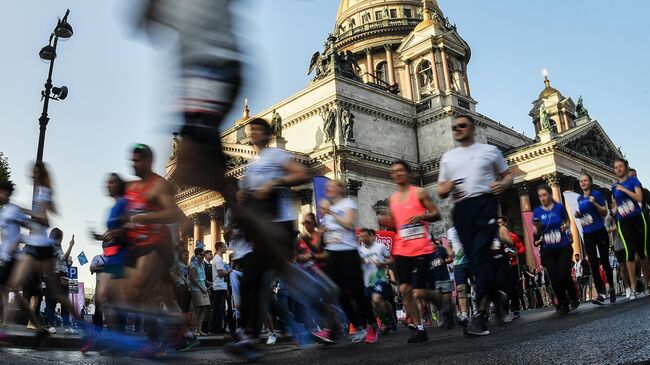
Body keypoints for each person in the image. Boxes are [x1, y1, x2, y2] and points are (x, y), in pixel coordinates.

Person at [437, 114, 513, 336]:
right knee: (475, 260)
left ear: (472, 128)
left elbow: (508, 176)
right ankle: (497, 296)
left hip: (485, 204)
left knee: (480, 256)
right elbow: (441, 190)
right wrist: (447, 186)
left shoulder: (489, 152)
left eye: (462, 126)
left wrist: (502, 184)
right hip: (461, 209)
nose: (458, 130)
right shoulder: (448, 157)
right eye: (455, 127)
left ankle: (480, 317)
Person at [7, 162, 85, 347]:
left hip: (42, 249)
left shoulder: (44, 192)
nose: (31, 175)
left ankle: (85, 329)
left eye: (34, 172)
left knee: (57, 294)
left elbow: (44, 219)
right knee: (14, 285)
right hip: (33, 246)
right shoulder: (39, 193)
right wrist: (23, 219)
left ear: (40, 175)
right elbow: (36, 222)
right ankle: (38, 329)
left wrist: (24, 212)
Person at [377, 160, 441, 343]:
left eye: (401, 171)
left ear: (408, 173)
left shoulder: (419, 192)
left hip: (421, 247)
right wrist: (389, 222)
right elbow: (398, 224)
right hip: (402, 248)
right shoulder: (392, 199)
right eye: (394, 172)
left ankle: (439, 299)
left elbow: (437, 214)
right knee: (405, 290)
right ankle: (419, 329)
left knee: (419, 293)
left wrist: (422, 215)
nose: (397, 174)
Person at [316, 179, 378, 344]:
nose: (328, 188)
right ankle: (353, 328)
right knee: (335, 292)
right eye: (327, 187)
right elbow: (325, 233)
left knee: (357, 292)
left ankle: (371, 325)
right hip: (332, 254)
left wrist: (331, 212)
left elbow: (349, 224)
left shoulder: (347, 203)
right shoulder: (328, 208)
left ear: (340, 189)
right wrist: (322, 229)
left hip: (348, 253)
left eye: (331, 186)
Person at [532, 184, 578, 314]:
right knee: (554, 279)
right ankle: (563, 303)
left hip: (563, 246)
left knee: (563, 275)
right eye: (540, 196)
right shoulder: (537, 211)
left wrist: (566, 227)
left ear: (550, 195)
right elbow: (536, 230)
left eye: (544, 195)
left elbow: (568, 221)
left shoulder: (559, 207)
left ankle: (573, 296)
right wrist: (536, 229)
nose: (542, 198)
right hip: (548, 250)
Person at [611, 158, 648, 299]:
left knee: (642, 253)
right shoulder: (614, 186)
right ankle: (632, 288)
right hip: (623, 221)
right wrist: (614, 209)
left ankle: (645, 285)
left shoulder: (633, 181)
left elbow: (639, 198)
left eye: (620, 166)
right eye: (616, 167)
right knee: (629, 253)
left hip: (637, 219)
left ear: (625, 168)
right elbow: (615, 202)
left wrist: (624, 189)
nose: (618, 169)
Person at [575, 174, 615, 304]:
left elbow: (604, 212)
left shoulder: (596, 194)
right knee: (593, 263)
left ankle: (612, 288)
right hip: (588, 233)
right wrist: (579, 214)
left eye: (585, 180)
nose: (583, 183)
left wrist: (594, 203)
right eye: (581, 181)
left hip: (599, 231)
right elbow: (585, 215)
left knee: (604, 261)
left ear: (590, 182)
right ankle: (601, 293)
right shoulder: (580, 199)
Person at [0, 181, 29, 326]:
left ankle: (5, 325)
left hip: (15, 256)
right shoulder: (3, 211)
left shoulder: (14, 209)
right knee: (12, 292)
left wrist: (17, 242)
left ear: (6, 193)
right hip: (6, 257)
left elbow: (27, 225)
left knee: (7, 289)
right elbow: (4, 232)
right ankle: (36, 322)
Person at [358, 228, 394, 334]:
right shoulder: (359, 250)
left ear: (370, 236)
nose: (363, 238)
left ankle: (388, 322)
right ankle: (386, 322)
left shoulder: (380, 247)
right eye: (361, 236)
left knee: (376, 299)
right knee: (375, 305)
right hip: (367, 281)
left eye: (365, 236)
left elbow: (391, 259)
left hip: (380, 278)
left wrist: (383, 263)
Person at [497, 217, 525, 318]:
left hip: (512, 265)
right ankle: (505, 310)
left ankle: (516, 309)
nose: (499, 225)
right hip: (501, 266)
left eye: (500, 223)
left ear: (505, 223)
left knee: (513, 287)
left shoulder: (513, 236)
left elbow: (522, 248)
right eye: (497, 223)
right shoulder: (495, 239)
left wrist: (517, 253)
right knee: (502, 288)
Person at [448, 227, 470, 324]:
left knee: (477, 288)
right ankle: (464, 315)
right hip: (458, 263)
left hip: (472, 262)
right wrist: (449, 251)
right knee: (461, 290)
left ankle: (481, 312)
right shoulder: (450, 231)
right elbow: (449, 245)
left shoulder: (470, 224)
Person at [189, 247, 210, 336]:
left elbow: (203, 277)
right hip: (196, 289)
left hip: (203, 288)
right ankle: (193, 330)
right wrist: (201, 287)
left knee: (204, 309)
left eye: (203, 254)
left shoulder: (203, 264)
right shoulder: (193, 265)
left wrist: (208, 282)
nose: (203, 256)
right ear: (196, 255)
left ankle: (199, 329)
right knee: (197, 309)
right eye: (201, 255)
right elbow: (192, 279)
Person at [211, 242, 230, 334]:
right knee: (218, 308)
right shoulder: (218, 259)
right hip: (219, 286)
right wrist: (229, 270)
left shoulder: (218, 258)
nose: (226, 248)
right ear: (219, 248)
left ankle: (218, 327)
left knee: (221, 308)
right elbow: (220, 273)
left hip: (220, 286)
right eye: (224, 247)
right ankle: (215, 328)